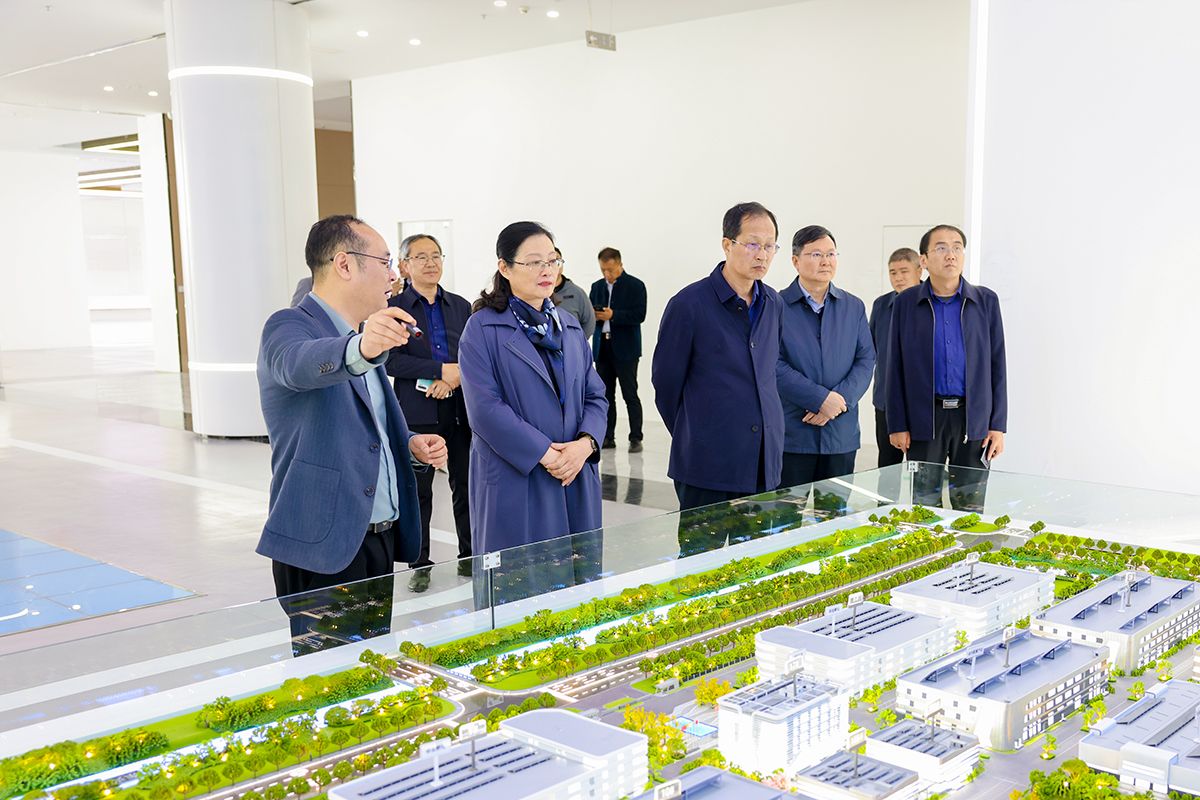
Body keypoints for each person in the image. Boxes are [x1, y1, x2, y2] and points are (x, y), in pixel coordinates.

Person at [257, 215, 448, 653]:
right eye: (385, 262)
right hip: (326, 543)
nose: (394, 275)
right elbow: (298, 364)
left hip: (377, 537)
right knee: (330, 676)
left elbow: (366, 423)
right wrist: (360, 348)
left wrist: (409, 445)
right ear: (344, 264)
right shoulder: (289, 326)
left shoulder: (359, 336)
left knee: (369, 668)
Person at [459, 221, 608, 599]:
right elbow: (485, 409)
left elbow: (596, 395)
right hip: (519, 476)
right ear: (505, 268)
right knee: (519, 591)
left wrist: (585, 445)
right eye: (534, 262)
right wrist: (547, 454)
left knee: (578, 588)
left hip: (574, 472)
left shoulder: (569, 326)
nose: (547, 270)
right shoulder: (482, 328)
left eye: (553, 261)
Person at [652, 202, 785, 556]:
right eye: (752, 244)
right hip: (706, 466)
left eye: (769, 245)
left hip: (761, 463)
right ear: (727, 244)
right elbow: (666, 386)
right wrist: (698, 433)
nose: (762, 255)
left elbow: (768, 373)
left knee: (755, 565)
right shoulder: (689, 305)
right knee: (701, 567)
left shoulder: (773, 303)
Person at [886, 224, 1006, 511]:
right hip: (924, 418)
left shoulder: (985, 301)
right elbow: (894, 367)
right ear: (924, 260)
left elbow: (997, 364)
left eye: (956, 247)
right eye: (941, 248)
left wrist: (997, 425)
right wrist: (898, 424)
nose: (950, 254)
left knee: (970, 504)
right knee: (924, 504)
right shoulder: (906, 303)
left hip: (973, 419)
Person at [386, 234, 472, 589]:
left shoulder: (461, 306)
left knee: (465, 485)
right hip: (417, 413)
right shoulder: (394, 308)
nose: (430, 263)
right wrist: (438, 372)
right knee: (419, 491)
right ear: (405, 265)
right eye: (421, 257)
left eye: (436, 255)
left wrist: (451, 380)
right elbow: (390, 360)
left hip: (460, 409)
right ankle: (419, 564)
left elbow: (473, 355)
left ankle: (470, 556)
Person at [776, 226, 874, 512]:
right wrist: (819, 399)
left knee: (834, 518)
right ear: (795, 261)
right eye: (816, 254)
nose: (825, 261)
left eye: (831, 254)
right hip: (792, 434)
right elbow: (771, 363)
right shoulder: (775, 306)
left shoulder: (853, 306)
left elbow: (866, 359)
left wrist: (837, 402)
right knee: (784, 519)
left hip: (840, 435)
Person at [869, 248, 923, 470]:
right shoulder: (881, 305)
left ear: (919, 270)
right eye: (893, 272)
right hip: (885, 401)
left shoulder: (932, 303)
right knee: (887, 466)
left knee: (920, 468)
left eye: (904, 271)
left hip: (921, 404)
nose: (898, 277)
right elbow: (870, 350)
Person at [589, 247, 648, 452]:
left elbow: (639, 315)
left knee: (630, 394)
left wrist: (613, 315)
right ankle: (607, 437)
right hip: (603, 347)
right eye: (603, 270)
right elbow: (590, 313)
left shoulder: (636, 286)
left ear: (620, 265)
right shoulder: (597, 287)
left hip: (626, 349)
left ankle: (636, 437)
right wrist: (595, 315)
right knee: (605, 395)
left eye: (611, 270)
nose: (607, 274)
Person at [549, 247, 596, 340]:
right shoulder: (536, 292)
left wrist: (576, 343)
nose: (554, 265)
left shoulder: (577, 293)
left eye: (557, 261)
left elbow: (589, 323)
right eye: (550, 261)